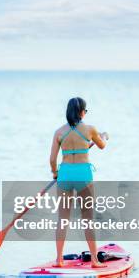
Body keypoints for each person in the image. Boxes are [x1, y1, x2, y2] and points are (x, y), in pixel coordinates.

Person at [49, 97, 109, 268]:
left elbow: (52, 159)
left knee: (63, 219)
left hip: (65, 175)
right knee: (88, 219)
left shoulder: (59, 132)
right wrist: (103, 136)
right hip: (83, 175)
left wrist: (55, 174)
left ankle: (59, 259)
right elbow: (102, 145)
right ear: (82, 112)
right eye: (86, 110)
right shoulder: (90, 130)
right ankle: (95, 260)